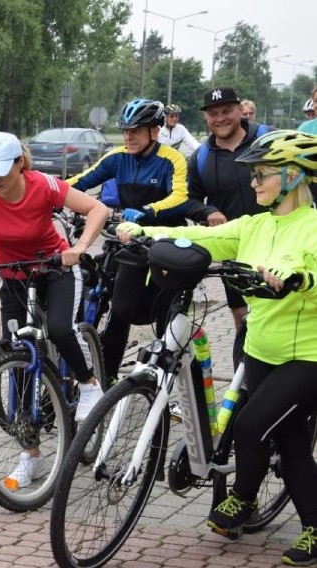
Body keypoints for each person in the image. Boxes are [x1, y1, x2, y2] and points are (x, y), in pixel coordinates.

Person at [116, 130, 317, 567]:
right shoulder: (255, 225)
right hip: (261, 350)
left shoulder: (313, 229)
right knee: (292, 442)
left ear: (291, 175)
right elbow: (201, 238)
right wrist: (142, 230)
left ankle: (242, 500)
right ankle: (313, 525)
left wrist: (293, 275)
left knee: (249, 427)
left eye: (261, 174)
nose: (253, 183)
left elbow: (303, 267)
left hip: (307, 357)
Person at [0, 131, 109, 490]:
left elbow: (97, 209)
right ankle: (32, 457)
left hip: (55, 268)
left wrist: (81, 246)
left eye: (1, 171)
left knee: (59, 329)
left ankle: (89, 384)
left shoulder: (43, 186)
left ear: (19, 164)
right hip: (13, 275)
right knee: (19, 360)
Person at [67, 98, 189, 386]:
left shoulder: (172, 159)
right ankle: (107, 377)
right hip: (130, 244)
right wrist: (46, 191)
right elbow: (82, 180)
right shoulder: (117, 158)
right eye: (125, 131)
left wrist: (147, 212)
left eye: (136, 130)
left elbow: (181, 197)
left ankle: (163, 384)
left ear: (155, 132)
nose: (128, 137)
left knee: (166, 318)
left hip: (164, 244)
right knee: (120, 310)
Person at [184, 86, 273, 335]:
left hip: (278, 242)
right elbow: (190, 200)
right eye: (213, 113)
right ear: (205, 117)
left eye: (227, 111)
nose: (220, 118)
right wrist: (207, 211)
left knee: (281, 313)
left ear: (240, 110)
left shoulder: (269, 140)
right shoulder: (200, 157)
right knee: (242, 318)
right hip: (236, 249)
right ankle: (244, 370)